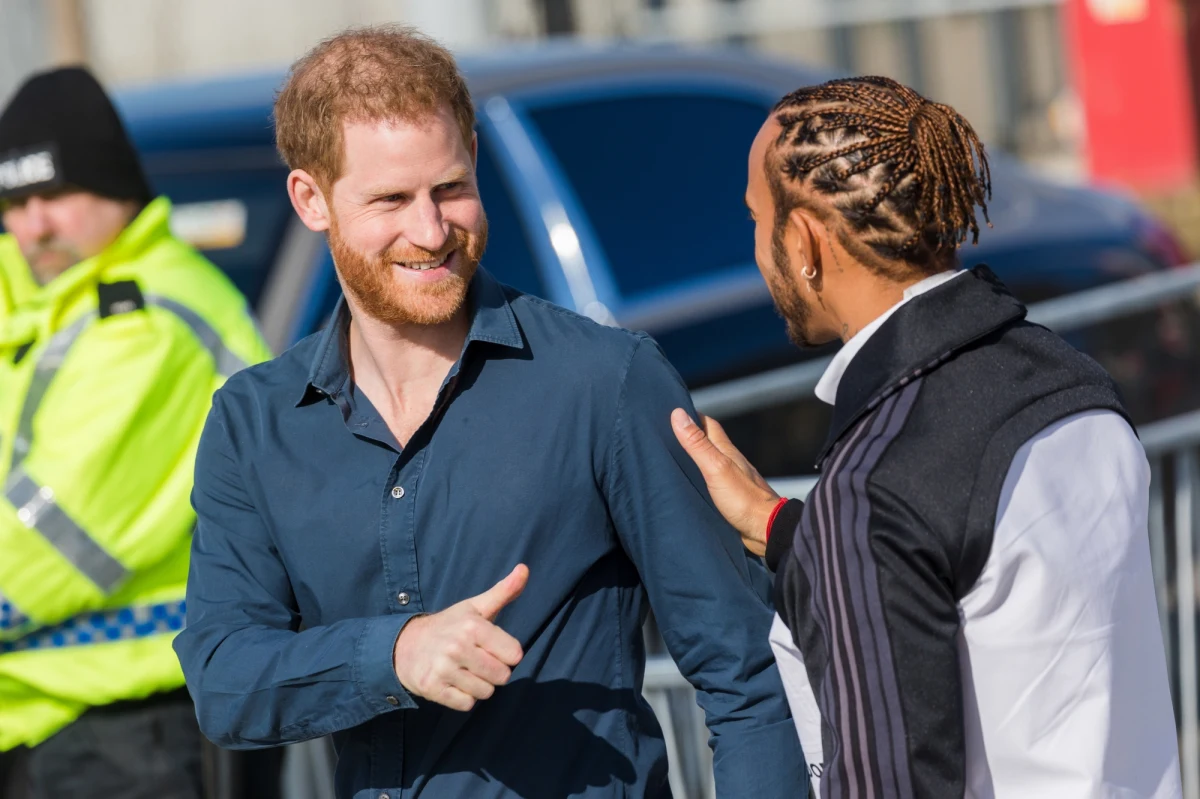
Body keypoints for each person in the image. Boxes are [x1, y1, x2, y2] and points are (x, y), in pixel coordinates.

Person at [173, 25, 805, 799]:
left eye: (450, 188)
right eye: (391, 201)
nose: (432, 232)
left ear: (472, 153)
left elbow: (743, 674)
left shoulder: (605, 382)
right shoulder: (252, 423)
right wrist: (395, 654)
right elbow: (224, 681)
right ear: (311, 199)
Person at [671, 76, 1183, 798]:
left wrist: (836, 529)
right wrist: (788, 530)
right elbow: (971, 572)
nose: (758, 249)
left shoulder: (876, 484)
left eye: (758, 220)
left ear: (807, 241)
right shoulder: (1071, 381)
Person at [0, 67, 272, 798]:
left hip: (122, 734)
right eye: (15, 202)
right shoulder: (37, 304)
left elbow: (46, 541)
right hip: (36, 718)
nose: (34, 224)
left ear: (117, 188)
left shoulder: (153, 321)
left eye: (55, 195)